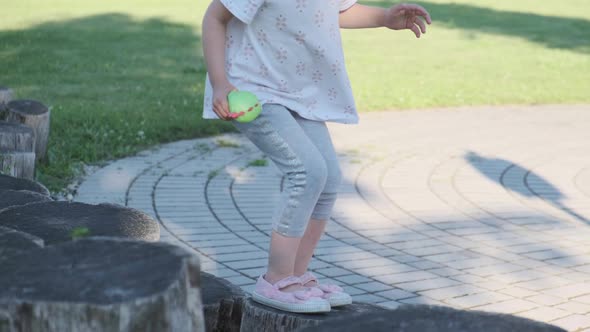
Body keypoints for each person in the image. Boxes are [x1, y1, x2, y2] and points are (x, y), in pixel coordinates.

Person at [201, 0, 431, 313]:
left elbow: (339, 10)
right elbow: (215, 16)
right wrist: (219, 83)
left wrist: (384, 18)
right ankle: (276, 278)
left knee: (329, 178)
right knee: (306, 172)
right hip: (255, 91)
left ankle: (296, 274)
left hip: (300, 95)